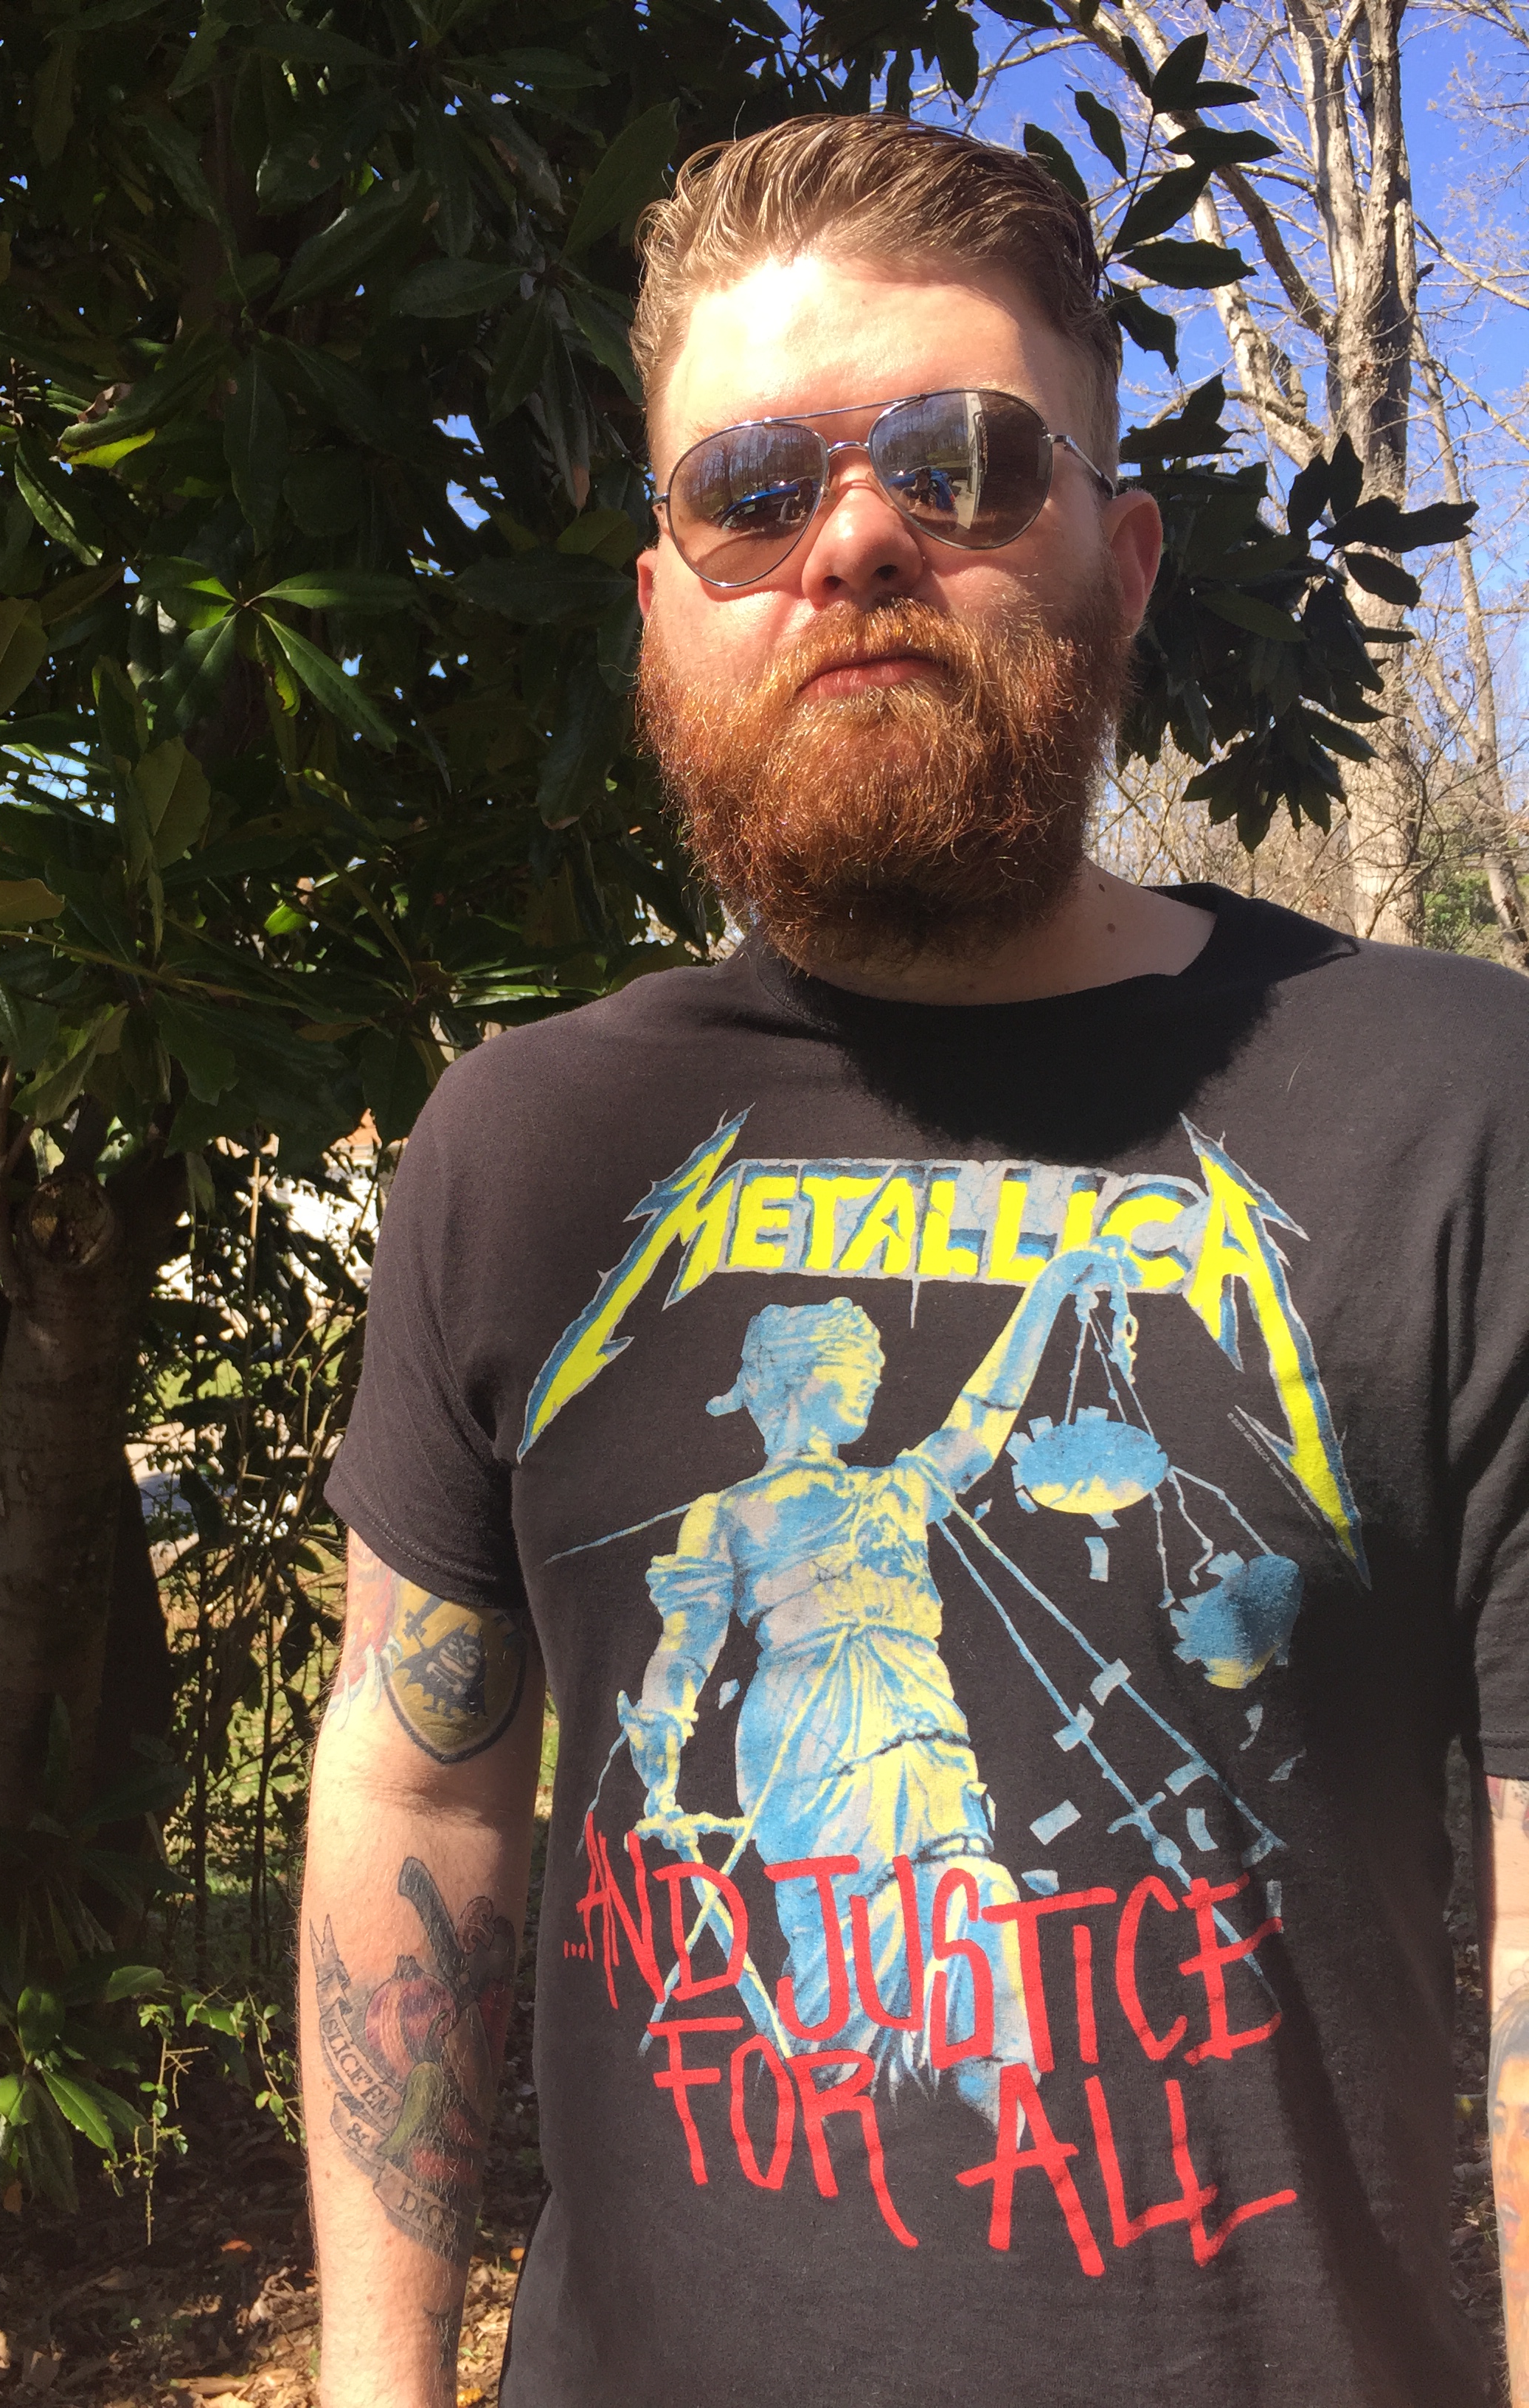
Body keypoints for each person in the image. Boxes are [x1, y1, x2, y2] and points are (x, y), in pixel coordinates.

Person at [301, 113, 1529, 2408]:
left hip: (959, 1843)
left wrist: (1064, 1312)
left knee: (956, 2001)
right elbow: (421, 1783)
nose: (857, 536)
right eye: (751, 489)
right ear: (662, 610)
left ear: (1123, 558)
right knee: (852, 2012)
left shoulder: (1461, 1110)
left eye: (965, 464)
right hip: (799, 1824)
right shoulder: (516, 1149)